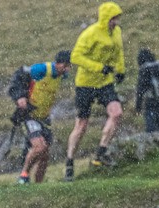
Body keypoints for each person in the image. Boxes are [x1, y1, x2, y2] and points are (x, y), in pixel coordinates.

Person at [64, 2, 125, 181]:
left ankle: (100, 153)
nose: (116, 22)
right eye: (113, 19)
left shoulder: (117, 32)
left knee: (117, 113)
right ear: (105, 18)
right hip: (85, 84)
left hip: (105, 83)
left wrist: (120, 70)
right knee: (82, 125)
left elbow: (119, 52)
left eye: (117, 18)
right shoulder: (90, 33)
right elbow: (75, 56)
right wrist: (99, 67)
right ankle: (69, 162)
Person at [7, 50, 73, 184]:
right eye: (66, 65)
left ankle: (39, 186)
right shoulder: (41, 69)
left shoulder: (62, 75)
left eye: (69, 66)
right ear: (58, 63)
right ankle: (23, 176)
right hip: (29, 115)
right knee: (39, 147)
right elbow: (18, 77)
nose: (68, 69)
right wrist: (20, 97)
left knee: (45, 155)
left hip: (44, 118)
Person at [135, 48, 159, 133]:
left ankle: (151, 141)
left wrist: (138, 106)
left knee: (150, 125)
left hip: (152, 101)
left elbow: (140, 90)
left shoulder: (144, 69)